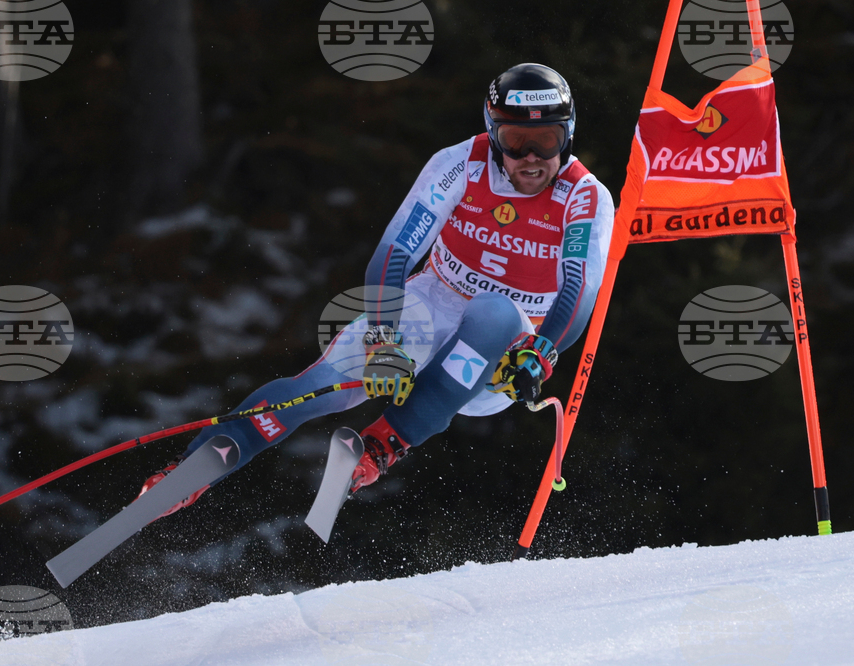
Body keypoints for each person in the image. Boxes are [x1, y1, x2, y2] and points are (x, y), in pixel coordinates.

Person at [137, 63, 614, 517]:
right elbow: (394, 252)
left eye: (546, 141)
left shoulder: (583, 195)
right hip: (433, 300)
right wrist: (383, 340)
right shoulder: (460, 164)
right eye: (515, 141)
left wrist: (541, 352)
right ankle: (190, 473)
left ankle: (385, 442)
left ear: (568, 135)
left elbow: (580, 286)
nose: (531, 159)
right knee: (319, 389)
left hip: (504, 349)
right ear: (493, 135)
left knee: (495, 310)